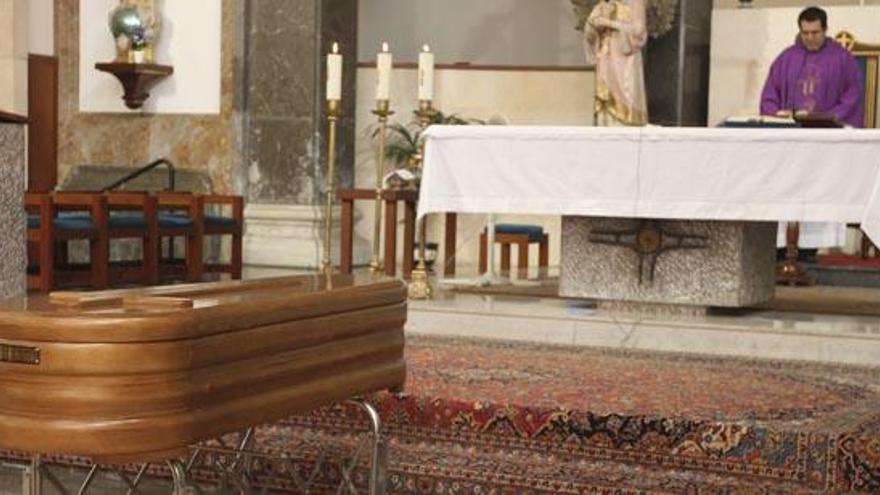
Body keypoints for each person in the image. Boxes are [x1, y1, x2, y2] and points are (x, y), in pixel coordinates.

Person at [760, 6, 864, 128]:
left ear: (825, 30)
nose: (809, 38)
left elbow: (852, 96)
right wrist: (777, 113)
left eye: (815, 33)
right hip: (792, 131)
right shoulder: (786, 58)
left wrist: (827, 119)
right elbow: (769, 95)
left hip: (828, 132)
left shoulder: (843, 58)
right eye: (805, 33)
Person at [583, 0, 648, 126]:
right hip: (606, 57)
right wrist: (593, 24)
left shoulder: (636, 2)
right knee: (605, 97)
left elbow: (639, 31)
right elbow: (591, 34)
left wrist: (610, 23)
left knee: (625, 98)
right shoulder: (605, 4)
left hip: (625, 59)